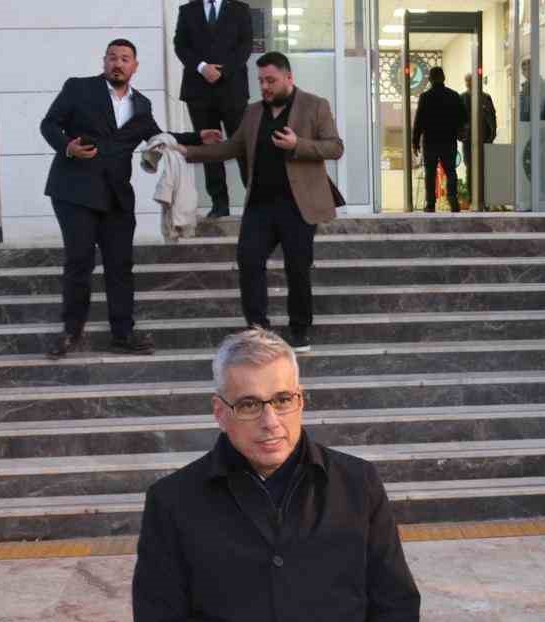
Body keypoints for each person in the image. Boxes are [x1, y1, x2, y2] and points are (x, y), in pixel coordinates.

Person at [132, 329, 420, 622]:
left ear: (300, 401)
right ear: (221, 412)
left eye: (282, 400)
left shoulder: (358, 483)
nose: (270, 421)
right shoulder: (172, 501)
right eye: (250, 405)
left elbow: (395, 607)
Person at [40, 39, 207, 361]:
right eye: (113, 58)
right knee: (79, 262)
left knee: (120, 266)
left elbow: (159, 138)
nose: (118, 63)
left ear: (135, 66)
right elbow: (49, 124)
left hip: (116, 196)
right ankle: (70, 332)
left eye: (125, 59)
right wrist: (66, 147)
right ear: (104, 62)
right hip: (74, 190)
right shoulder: (79, 88)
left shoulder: (141, 105)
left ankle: (122, 333)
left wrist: (199, 137)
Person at [182, 52, 343, 354]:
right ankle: (257, 329)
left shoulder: (315, 105)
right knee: (249, 261)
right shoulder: (253, 112)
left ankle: (299, 330)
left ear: (288, 78)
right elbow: (232, 147)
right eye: (261, 81)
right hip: (259, 204)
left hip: (298, 205)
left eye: (271, 80)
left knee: (297, 268)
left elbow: (335, 147)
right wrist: (187, 152)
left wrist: (299, 146)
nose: (265, 87)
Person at [173, 0, 253, 217]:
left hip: (232, 90)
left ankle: (255, 200)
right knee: (209, 147)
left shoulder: (240, 9)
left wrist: (222, 71)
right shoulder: (187, 10)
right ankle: (219, 203)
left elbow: (245, 46)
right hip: (198, 92)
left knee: (243, 145)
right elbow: (180, 45)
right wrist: (202, 68)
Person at [412, 67, 463, 212]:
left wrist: (415, 142)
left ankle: (430, 204)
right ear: (444, 78)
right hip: (448, 140)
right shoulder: (454, 96)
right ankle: (453, 200)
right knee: (451, 171)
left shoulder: (425, 97)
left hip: (430, 142)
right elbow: (463, 117)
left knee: (430, 173)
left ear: (430, 79)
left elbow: (419, 121)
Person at [460, 74, 498, 209]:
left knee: (485, 170)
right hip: (469, 140)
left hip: (484, 140)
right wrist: (461, 135)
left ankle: (485, 200)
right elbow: (458, 118)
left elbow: (492, 116)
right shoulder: (462, 97)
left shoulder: (486, 98)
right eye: (467, 81)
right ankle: (472, 199)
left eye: (471, 80)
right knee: (470, 169)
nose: (468, 83)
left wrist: (492, 135)